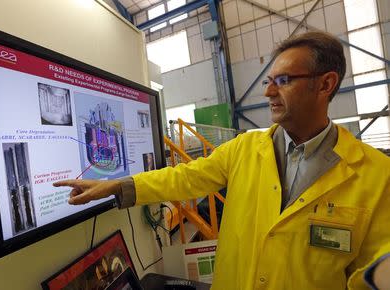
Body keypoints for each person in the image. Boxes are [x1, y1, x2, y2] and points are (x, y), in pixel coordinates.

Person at [54, 32, 390, 289]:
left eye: (283, 80)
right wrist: (116, 185)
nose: (269, 92)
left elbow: (375, 262)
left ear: (325, 84)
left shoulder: (376, 174)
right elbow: (183, 178)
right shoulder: (243, 149)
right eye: (269, 80)